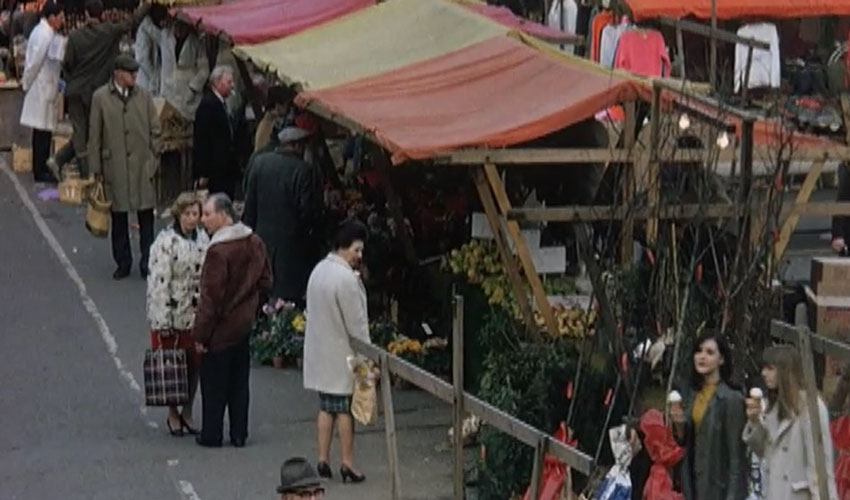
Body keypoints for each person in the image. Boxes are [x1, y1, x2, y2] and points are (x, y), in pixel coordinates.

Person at [192, 194, 271, 448]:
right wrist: (253, 308)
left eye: (207, 214)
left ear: (224, 215)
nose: (203, 220)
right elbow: (266, 280)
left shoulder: (218, 251)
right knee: (239, 383)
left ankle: (212, 433)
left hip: (220, 330)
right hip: (243, 325)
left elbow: (210, 298)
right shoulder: (254, 241)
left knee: (214, 384)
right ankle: (239, 433)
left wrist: (201, 335)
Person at [303, 219, 371, 484]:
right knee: (345, 411)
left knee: (325, 408)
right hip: (343, 353)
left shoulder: (319, 270)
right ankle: (347, 462)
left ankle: (322, 458)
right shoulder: (346, 279)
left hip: (320, 351)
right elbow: (357, 324)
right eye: (356, 249)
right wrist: (368, 358)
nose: (359, 256)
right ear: (344, 247)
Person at [50, 0, 151, 178]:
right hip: (96, 92)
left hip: (75, 91)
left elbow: (67, 65)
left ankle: (62, 162)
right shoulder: (109, 32)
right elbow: (131, 22)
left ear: (87, 15)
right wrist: (147, 5)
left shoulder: (74, 37)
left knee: (82, 132)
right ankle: (83, 173)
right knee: (92, 132)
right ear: (102, 14)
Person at [88, 54, 160, 280]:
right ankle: (123, 261)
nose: (134, 77)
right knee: (118, 216)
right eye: (131, 73)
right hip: (114, 166)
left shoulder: (145, 97)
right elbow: (95, 136)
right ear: (118, 73)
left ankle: (147, 260)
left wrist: (152, 159)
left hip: (141, 165)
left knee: (146, 216)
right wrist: (96, 168)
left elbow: (155, 131)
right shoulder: (100, 98)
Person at [146, 192, 209, 437]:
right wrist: (162, 320)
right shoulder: (165, 243)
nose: (193, 219)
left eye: (196, 214)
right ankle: (172, 412)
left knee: (195, 364)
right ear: (178, 215)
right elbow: (159, 283)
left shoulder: (203, 239)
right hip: (173, 315)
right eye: (188, 214)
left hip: (195, 315)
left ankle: (188, 410)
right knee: (172, 365)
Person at [743, 345, 838, 500]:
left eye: (770, 368)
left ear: (786, 371)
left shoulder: (811, 407)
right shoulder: (775, 407)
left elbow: (820, 469)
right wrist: (754, 422)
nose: (763, 373)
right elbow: (763, 452)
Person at [243, 124, 322, 303]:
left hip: (262, 238)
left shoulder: (259, 163)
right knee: (287, 298)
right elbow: (308, 212)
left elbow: (250, 205)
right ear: (296, 146)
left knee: (263, 291)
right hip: (291, 246)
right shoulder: (302, 170)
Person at [670, 331, 748, 500]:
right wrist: (679, 425)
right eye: (699, 351)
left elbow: (737, 459)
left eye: (709, 352)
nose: (702, 357)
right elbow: (685, 442)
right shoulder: (692, 394)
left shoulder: (731, 399)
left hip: (718, 488)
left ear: (721, 359)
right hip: (692, 485)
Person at [19, 0, 64, 183]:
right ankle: (40, 170)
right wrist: (26, 83)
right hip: (41, 86)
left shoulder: (45, 32)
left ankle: (42, 167)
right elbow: (35, 62)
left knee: (44, 130)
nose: (62, 20)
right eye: (60, 17)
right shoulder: (44, 34)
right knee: (41, 131)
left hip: (45, 85)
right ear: (51, 17)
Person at [193, 66, 237, 199]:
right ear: (218, 82)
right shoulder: (208, 104)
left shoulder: (220, 103)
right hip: (215, 169)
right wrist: (203, 172)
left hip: (224, 167)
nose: (232, 86)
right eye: (229, 82)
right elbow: (202, 139)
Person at [159, 20, 208, 121]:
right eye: (176, 25)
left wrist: (192, 88)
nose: (179, 30)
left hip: (189, 97)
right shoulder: (166, 38)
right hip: (169, 93)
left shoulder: (196, 42)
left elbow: (204, 70)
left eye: (182, 26)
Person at [133, 3, 168, 95]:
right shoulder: (144, 31)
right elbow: (142, 58)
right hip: (146, 80)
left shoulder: (154, 30)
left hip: (153, 79)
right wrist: (154, 76)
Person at [254, 85, 294, 154]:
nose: (288, 108)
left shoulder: (269, 120)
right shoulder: (270, 124)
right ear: (277, 106)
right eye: (286, 104)